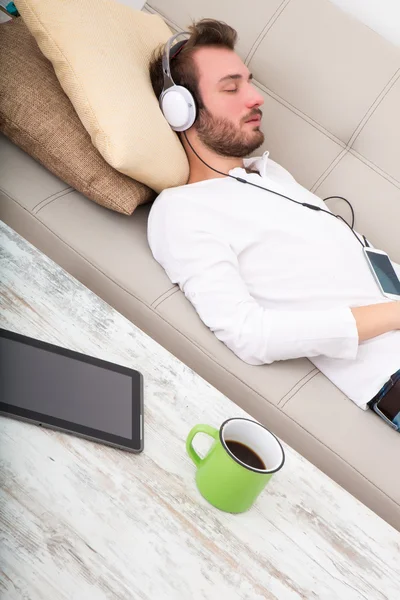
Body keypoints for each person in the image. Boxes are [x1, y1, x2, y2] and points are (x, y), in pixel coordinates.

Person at [147, 19, 400, 429]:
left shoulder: (271, 175)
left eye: (249, 82)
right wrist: (395, 315)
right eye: (231, 88)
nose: (255, 97)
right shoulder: (181, 211)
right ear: (182, 109)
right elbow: (251, 335)